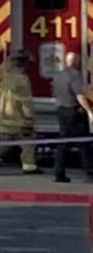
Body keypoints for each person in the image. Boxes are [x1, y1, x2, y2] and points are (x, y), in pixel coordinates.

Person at [0, 51, 38, 174]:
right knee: (28, 143)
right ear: (23, 65)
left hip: (5, 118)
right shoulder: (22, 80)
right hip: (19, 120)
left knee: (5, 143)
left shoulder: (6, 78)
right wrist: (29, 119)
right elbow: (25, 102)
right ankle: (29, 167)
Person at [51, 51, 90, 183]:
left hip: (61, 111)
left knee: (63, 143)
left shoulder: (58, 76)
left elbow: (54, 93)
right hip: (73, 112)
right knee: (83, 143)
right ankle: (89, 172)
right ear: (76, 61)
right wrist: (89, 111)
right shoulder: (76, 75)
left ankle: (59, 173)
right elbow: (79, 96)